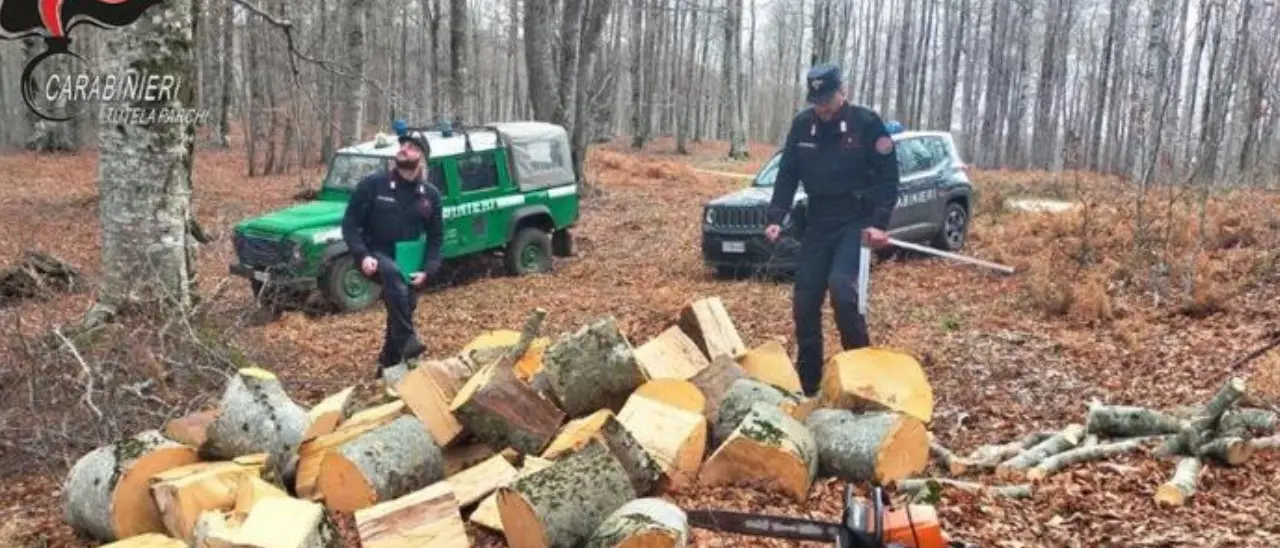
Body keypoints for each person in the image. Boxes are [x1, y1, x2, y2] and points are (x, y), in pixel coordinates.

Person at [763, 63, 901, 397]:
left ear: (844, 92)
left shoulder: (867, 124)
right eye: (816, 101)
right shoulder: (802, 125)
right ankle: (809, 383)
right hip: (818, 218)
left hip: (856, 217)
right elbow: (787, 174)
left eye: (827, 99)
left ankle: (861, 374)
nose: (821, 107)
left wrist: (879, 224)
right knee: (805, 298)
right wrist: (776, 215)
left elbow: (888, 177)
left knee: (842, 288)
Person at [341, 132, 445, 396]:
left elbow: (436, 237)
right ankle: (410, 341)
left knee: (403, 307)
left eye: (411, 147)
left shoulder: (430, 195)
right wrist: (362, 254)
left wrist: (428, 270)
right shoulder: (373, 185)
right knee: (394, 280)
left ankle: (386, 365)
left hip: (409, 260)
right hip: (375, 254)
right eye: (402, 146)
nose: (403, 150)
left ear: (421, 156)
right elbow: (350, 224)